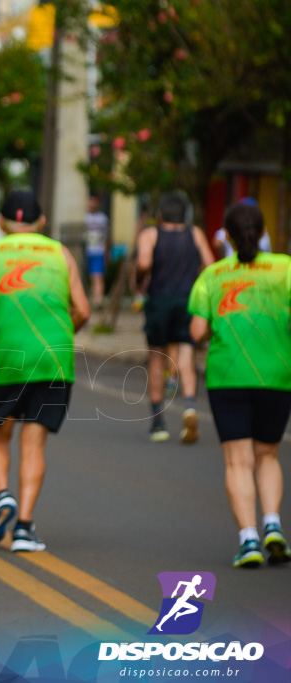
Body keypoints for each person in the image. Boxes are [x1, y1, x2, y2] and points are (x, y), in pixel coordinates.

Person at [0, 191, 90, 552]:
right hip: (54, 360)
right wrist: (65, 334)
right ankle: (24, 528)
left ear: (2, 223)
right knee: (34, 444)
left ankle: (3, 494)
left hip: (9, 358)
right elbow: (82, 308)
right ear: (42, 222)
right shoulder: (60, 254)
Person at [188, 201, 291, 568]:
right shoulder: (286, 269)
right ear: (263, 233)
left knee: (238, 461)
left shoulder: (213, 276)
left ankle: (248, 541)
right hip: (277, 376)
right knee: (267, 455)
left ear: (226, 237)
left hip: (227, 377)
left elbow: (197, 331)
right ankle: (273, 526)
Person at [136, 191, 214, 443]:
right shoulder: (195, 234)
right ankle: (190, 405)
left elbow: (145, 263)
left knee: (157, 359)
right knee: (186, 355)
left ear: (160, 214)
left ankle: (159, 423)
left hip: (159, 300)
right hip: (188, 301)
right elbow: (210, 265)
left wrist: (140, 279)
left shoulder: (151, 234)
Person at [84, 195, 110, 309]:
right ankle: (93, 298)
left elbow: (107, 237)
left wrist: (107, 253)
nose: (91, 205)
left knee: (97, 276)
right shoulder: (83, 217)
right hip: (86, 251)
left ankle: (98, 300)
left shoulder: (102, 219)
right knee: (90, 277)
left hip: (98, 251)